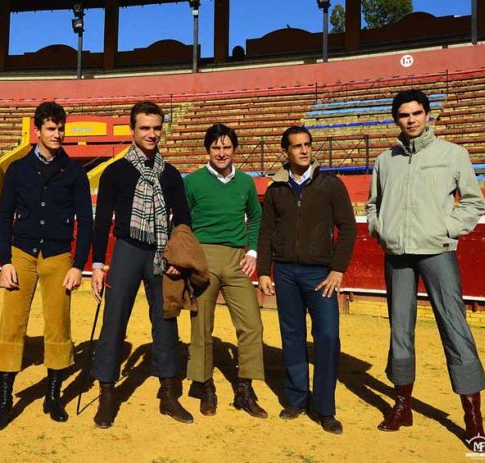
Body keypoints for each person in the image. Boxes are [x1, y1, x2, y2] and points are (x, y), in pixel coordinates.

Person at [366, 89, 485, 452]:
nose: (412, 119)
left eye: (417, 113)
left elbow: (473, 201)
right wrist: (380, 229)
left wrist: (445, 230)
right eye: (404, 115)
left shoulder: (453, 154)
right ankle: (402, 406)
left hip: (436, 252)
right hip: (398, 254)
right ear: (396, 119)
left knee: (455, 327)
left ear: (428, 114)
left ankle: (473, 418)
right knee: (400, 329)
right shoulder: (385, 160)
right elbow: (373, 204)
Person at [0, 102, 93, 430]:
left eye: (61, 128)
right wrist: (4, 261)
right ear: (37, 132)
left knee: (58, 325)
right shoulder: (18, 169)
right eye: (51, 128)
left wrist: (78, 265)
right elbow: (3, 218)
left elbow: (85, 222)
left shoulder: (74, 171)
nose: (58, 134)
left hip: (59, 257)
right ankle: (4, 399)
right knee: (12, 324)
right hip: (22, 254)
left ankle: (53, 396)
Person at [90, 101, 192, 428]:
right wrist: (97, 264)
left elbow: (183, 218)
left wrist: (177, 257)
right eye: (144, 128)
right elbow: (102, 220)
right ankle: (107, 393)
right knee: (114, 318)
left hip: (161, 255)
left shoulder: (171, 174)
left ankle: (168, 394)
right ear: (132, 130)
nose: (151, 134)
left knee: (166, 320)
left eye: (156, 128)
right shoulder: (115, 171)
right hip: (127, 250)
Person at [258, 125, 356, 434]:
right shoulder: (276, 188)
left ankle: (325, 408)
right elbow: (265, 232)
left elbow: (348, 228)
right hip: (285, 272)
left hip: (320, 274)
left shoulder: (330, 184)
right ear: (285, 152)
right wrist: (264, 270)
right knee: (292, 336)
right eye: (297, 146)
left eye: (307, 145)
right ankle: (297, 399)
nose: (303, 150)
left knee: (327, 336)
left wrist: (337, 270)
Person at [183, 124, 266, 418]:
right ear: (208, 150)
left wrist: (253, 252)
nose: (221, 153)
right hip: (203, 257)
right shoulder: (192, 182)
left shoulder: (245, 183)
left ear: (234, 150)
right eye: (216, 147)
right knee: (201, 326)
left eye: (227, 147)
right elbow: (182, 223)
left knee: (252, 325)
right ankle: (205, 385)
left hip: (236, 258)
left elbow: (256, 218)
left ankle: (244, 389)